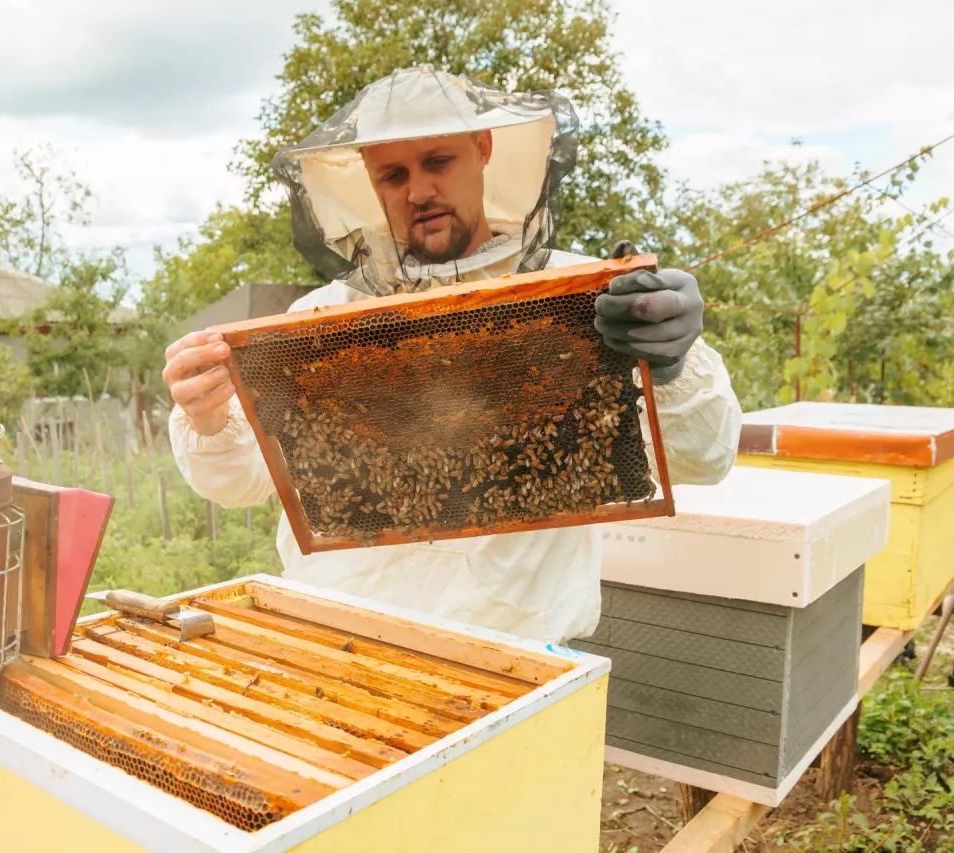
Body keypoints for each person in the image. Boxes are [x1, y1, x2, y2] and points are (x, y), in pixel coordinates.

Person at [163, 67, 741, 644]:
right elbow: (240, 481)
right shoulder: (321, 318)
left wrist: (672, 364)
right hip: (335, 640)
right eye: (393, 174)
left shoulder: (587, 296)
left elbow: (705, 459)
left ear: (482, 149)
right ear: (371, 180)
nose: (418, 191)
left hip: (511, 656)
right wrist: (206, 416)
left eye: (437, 161)